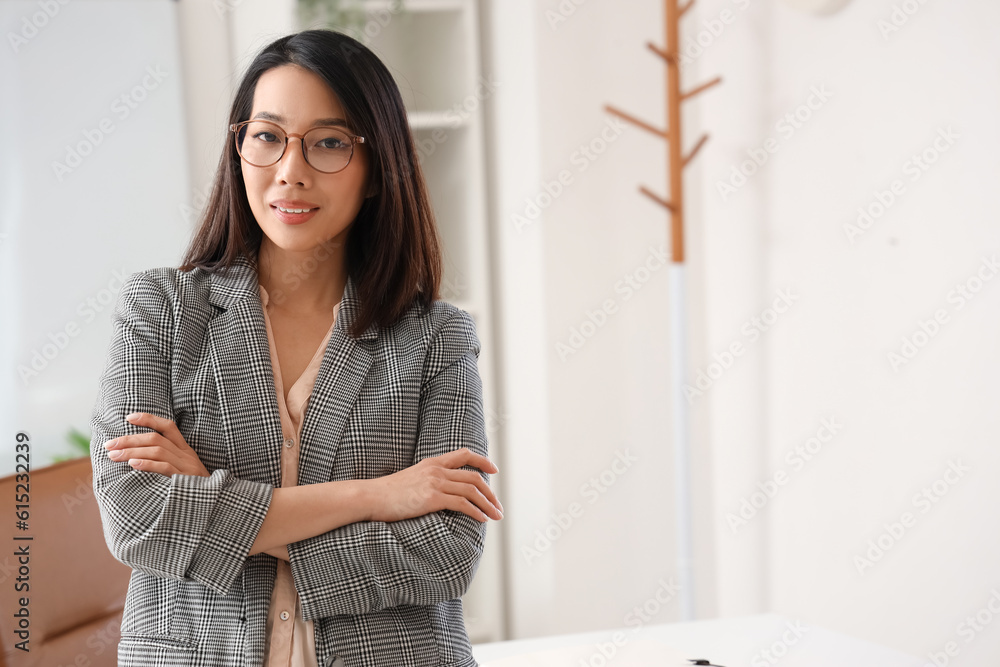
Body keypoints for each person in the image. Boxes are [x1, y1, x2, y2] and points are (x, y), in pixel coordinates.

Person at [89, 28, 502, 667]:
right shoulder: (160, 310)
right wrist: (381, 496)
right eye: (267, 136)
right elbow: (136, 517)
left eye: (330, 143)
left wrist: (212, 501)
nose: (291, 171)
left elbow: (444, 553)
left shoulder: (437, 338)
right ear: (240, 149)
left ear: (375, 170)